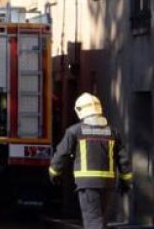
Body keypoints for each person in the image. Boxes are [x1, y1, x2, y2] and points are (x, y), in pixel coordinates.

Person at [49, 93, 134, 229]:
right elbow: (123, 160)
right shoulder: (113, 132)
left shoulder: (74, 131)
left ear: (80, 111)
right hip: (108, 185)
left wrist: (54, 173)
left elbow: (61, 155)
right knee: (101, 222)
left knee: (93, 222)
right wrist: (126, 182)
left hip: (87, 185)